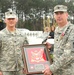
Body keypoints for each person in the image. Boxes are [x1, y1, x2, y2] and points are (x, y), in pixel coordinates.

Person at [43, 5, 74, 75]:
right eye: (57, 14)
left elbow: (69, 54)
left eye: (61, 13)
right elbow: (61, 48)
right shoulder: (57, 30)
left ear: (67, 15)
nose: (59, 16)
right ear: (54, 16)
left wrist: (51, 69)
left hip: (68, 72)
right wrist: (51, 47)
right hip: (57, 71)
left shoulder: (72, 30)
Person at [0, 10, 28, 75]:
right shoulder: (1, 35)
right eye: (9, 19)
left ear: (16, 20)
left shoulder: (22, 35)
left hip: (20, 69)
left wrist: (27, 66)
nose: (11, 20)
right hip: (5, 70)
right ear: (5, 20)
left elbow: (26, 52)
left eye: (13, 18)